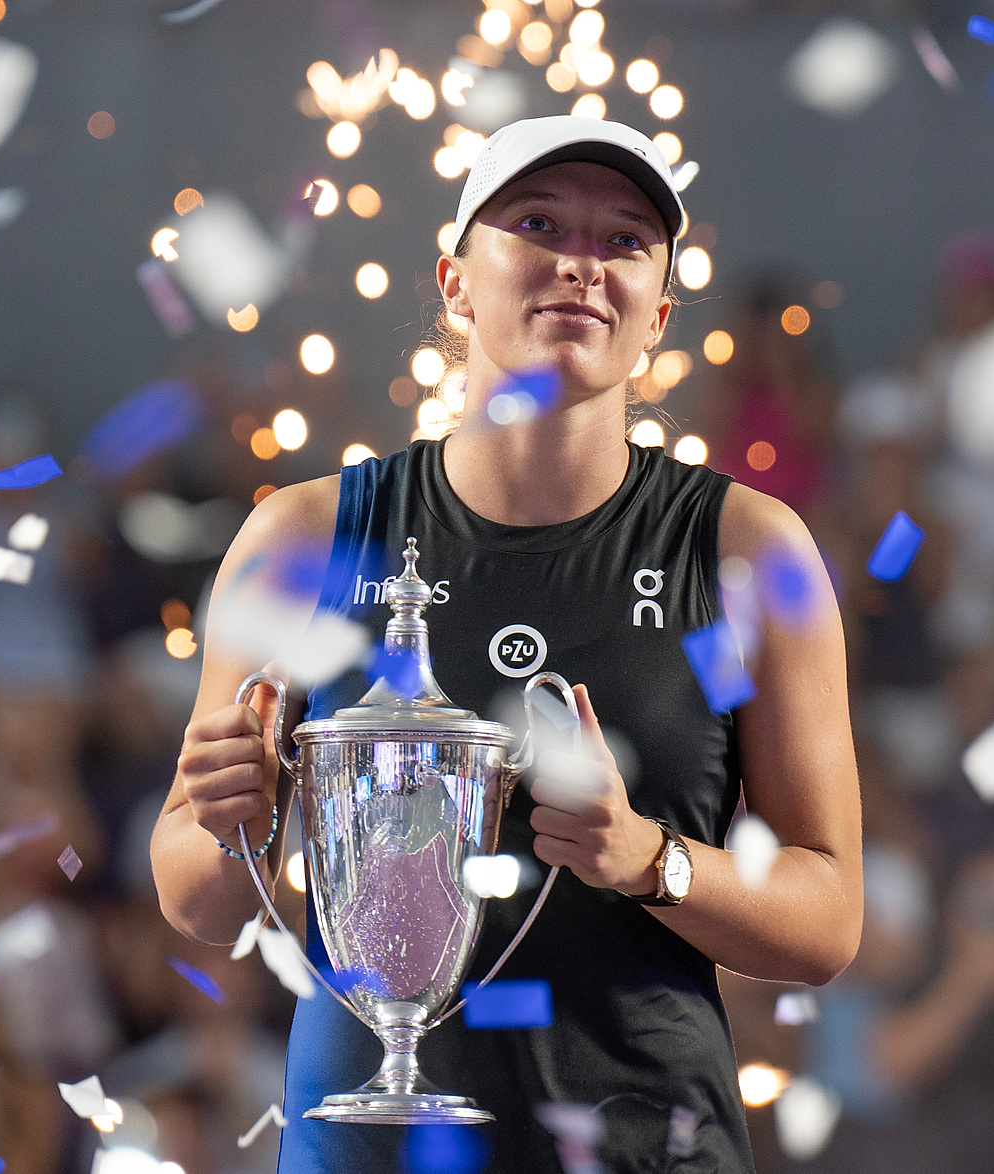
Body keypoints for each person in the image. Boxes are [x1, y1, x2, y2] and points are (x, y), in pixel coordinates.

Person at [149, 116, 864, 1172]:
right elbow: (195, 899)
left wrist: (649, 861)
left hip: (643, 1143)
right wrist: (235, 818)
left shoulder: (752, 551)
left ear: (657, 312)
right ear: (453, 282)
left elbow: (827, 918)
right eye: (537, 223)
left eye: (624, 241)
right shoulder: (306, 537)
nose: (581, 261)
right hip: (371, 1144)